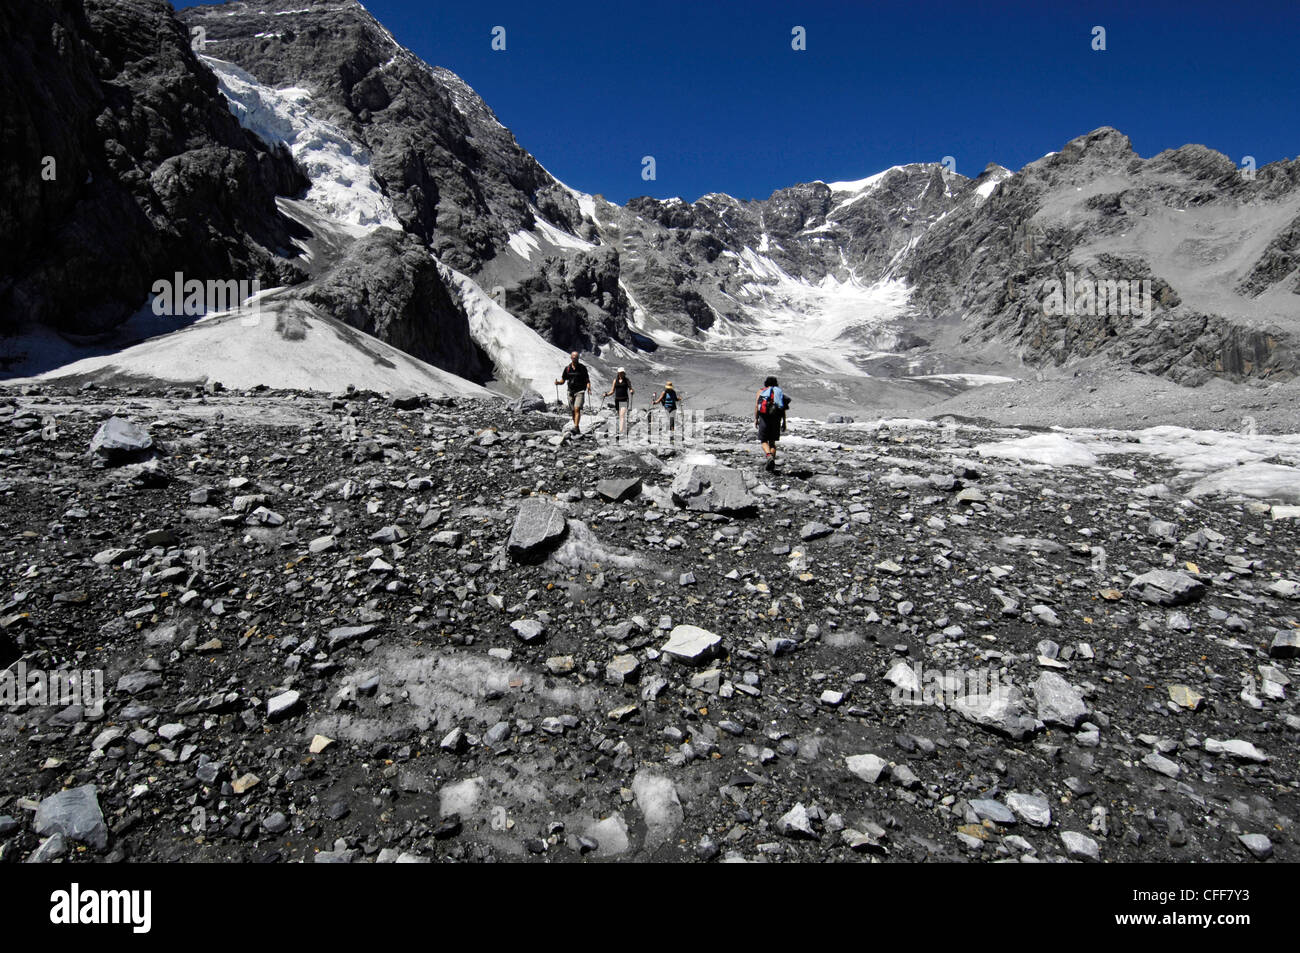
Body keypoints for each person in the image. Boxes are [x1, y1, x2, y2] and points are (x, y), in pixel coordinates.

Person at [755, 375, 788, 471]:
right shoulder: (779, 392)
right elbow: (783, 409)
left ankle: (769, 456)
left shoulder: (761, 391)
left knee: (763, 440)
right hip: (776, 419)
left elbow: (757, 406)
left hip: (764, 418)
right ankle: (771, 464)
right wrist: (784, 422)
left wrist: (756, 419)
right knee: (772, 442)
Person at [556, 351, 591, 432]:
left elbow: (587, 380)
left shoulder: (582, 368)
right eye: (573, 357)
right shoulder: (567, 368)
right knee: (573, 411)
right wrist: (558, 383)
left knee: (577, 408)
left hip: (580, 391)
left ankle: (576, 427)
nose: (575, 359)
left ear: (578, 358)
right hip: (570, 392)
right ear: (571, 358)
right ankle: (576, 428)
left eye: (576, 357)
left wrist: (589, 387)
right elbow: (563, 380)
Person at [603, 367, 634, 440]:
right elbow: (612, 391)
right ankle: (621, 431)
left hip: (624, 399)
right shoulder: (615, 380)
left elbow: (630, 388)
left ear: (624, 373)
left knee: (622, 415)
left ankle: (621, 432)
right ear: (618, 373)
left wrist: (632, 391)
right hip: (617, 400)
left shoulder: (627, 380)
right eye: (620, 372)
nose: (621, 374)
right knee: (619, 416)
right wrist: (606, 394)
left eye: (622, 372)